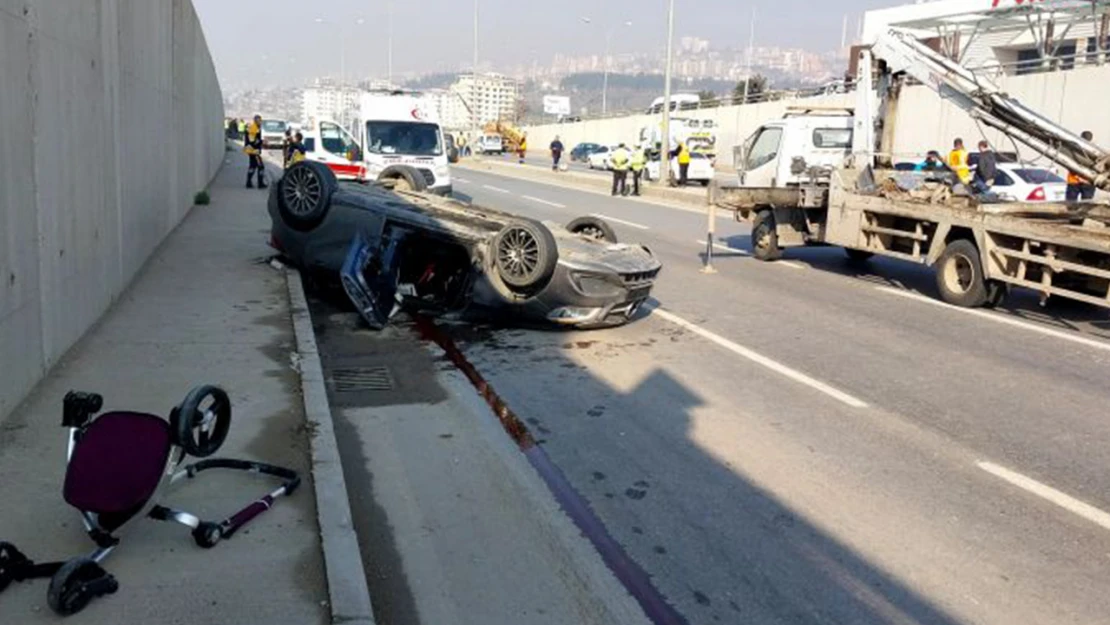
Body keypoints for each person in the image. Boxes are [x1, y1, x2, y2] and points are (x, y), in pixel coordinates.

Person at [1067, 131, 1097, 201]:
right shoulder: (1094, 151)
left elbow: (1069, 163)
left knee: (1071, 205)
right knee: (1086, 204)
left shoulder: (1074, 149)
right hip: (1087, 181)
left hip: (1075, 181)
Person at [243, 114, 267, 189]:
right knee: (261, 166)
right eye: (259, 121)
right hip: (253, 151)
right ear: (256, 121)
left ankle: (249, 182)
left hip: (253, 150)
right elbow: (252, 141)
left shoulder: (255, 128)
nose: (261, 122)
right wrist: (262, 141)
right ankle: (260, 184)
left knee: (253, 166)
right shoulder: (253, 128)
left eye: (261, 120)